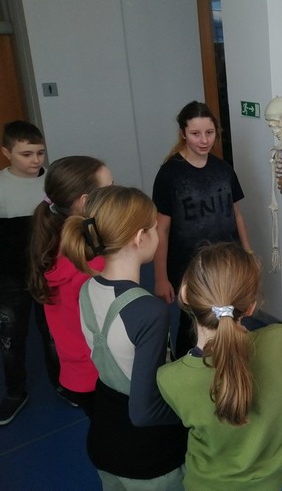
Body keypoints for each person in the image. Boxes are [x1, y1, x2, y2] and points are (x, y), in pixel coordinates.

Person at [61, 185, 187, 489]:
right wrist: (192, 412)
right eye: (154, 228)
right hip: (149, 455)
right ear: (139, 237)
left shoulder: (87, 288)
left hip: (104, 436)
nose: (157, 234)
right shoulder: (149, 311)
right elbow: (144, 412)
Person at [157, 242, 282, 491]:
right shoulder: (279, 339)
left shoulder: (170, 379)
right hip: (273, 482)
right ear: (251, 307)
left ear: (184, 295)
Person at [152, 101, 251, 359]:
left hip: (226, 261)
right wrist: (160, 276)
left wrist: (248, 254)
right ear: (183, 133)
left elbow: (237, 215)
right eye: (196, 133)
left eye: (209, 132)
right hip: (189, 267)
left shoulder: (223, 169)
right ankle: (187, 368)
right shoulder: (169, 175)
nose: (204, 140)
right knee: (193, 325)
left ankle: (228, 364)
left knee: (230, 316)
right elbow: (161, 229)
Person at [29, 156, 113, 414]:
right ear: (86, 201)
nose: (115, 193)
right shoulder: (90, 265)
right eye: (109, 188)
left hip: (76, 372)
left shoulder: (54, 243)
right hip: (102, 374)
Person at [0, 120, 59, 425]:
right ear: (6, 152)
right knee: (11, 337)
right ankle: (15, 392)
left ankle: (62, 382)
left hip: (49, 273)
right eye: (26, 154)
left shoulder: (52, 185)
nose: (35, 160)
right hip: (10, 278)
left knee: (54, 333)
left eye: (40, 153)